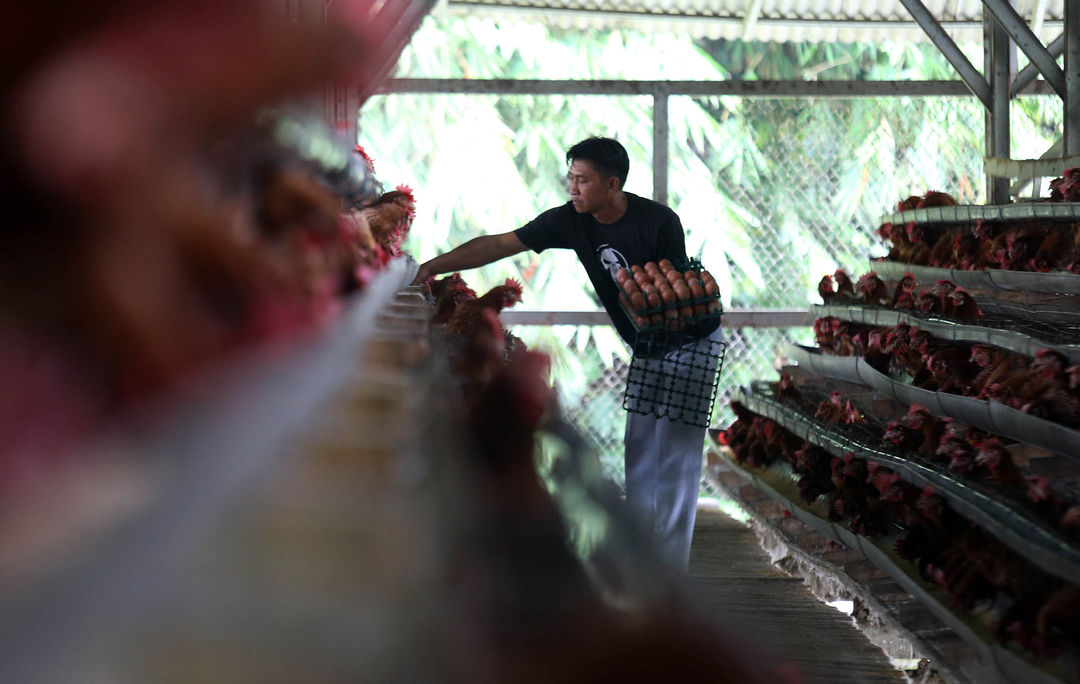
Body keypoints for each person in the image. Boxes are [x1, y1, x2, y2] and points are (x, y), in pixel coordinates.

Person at [412, 136, 722, 572]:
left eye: (583, 180)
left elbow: (668, 291)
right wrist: (432, 266)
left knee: (674, 455)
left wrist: (656, 323)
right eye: (570, 178)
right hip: (650, 344)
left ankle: (670, 573)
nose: (572, 188)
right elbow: (502, 243)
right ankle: (642, 560)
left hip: (689, 341)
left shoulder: (658, 221)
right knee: (641, 450)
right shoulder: (571, 220)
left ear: (612, 184)